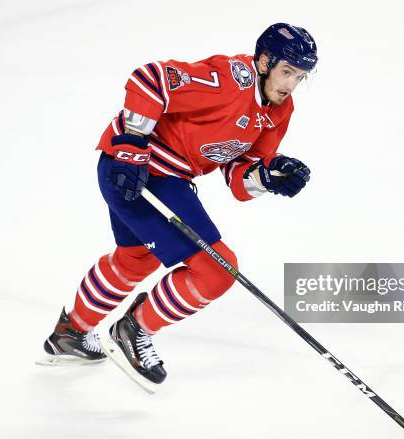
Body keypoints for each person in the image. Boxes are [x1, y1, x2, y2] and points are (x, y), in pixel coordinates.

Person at [37, 23, 318, 392]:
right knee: (218, 270)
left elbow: (238, 176)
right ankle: (133, 329)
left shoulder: (279, 110)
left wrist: (268, 177)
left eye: (301, 76)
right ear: (264, 61)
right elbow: (150, 79)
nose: (291, 84)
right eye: (287, 72)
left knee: (135, 259)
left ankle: (70, 334)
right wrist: (133, 144)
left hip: (164, 177)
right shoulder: (230, 80)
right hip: (138, 170)